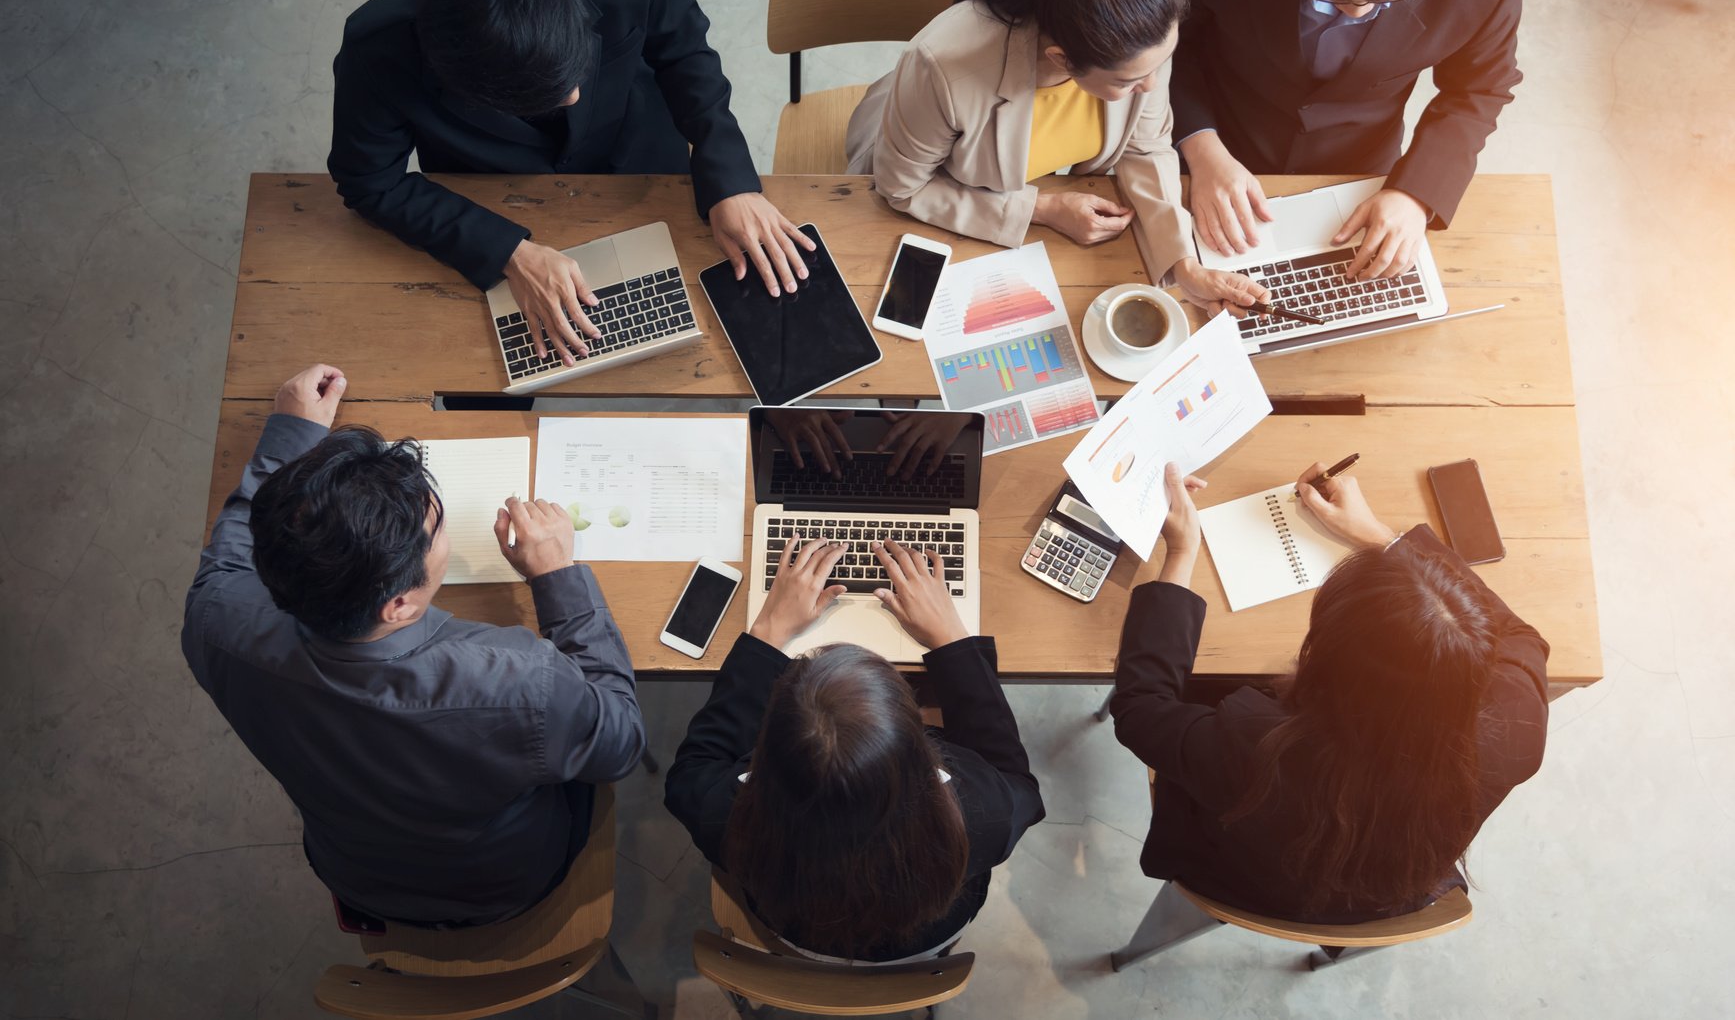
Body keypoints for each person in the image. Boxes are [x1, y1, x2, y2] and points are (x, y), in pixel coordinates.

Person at [182, 364, 645, 926]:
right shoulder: (520, 683)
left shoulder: (215, 623)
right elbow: (620, 741)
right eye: (438, 529)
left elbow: (231, 550)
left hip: (355, 873)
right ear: (397, 604)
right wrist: (557, 577)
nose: (442, 532)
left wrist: (291, 437)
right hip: (506, 885)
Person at [328, 0, 813, 368]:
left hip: (644, 156)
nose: (577, 95)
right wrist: (508, 253)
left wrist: (730, 181)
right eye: (546, 95)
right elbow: (370, 183)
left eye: (576, 70)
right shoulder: (376, 51)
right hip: (494, 195)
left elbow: (685, 52)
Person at [1110, 461, 1549, 922]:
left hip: (1235, 879)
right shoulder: (1518, 725)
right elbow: (1520, 635)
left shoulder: (1253, 744)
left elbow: (1141, 708)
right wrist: (1385, 539)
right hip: (1387, 900)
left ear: (1324, 659)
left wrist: (1181, 550)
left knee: (1208, 684)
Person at [845, 0, 1269, 318]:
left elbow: (1146, 148)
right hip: (933, 189)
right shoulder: (942, 67)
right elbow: (901, 187)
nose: (1152, 88)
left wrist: (1184, 265)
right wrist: (1041, 209)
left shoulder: (1142, 44)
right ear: (1062, 60)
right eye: (1129, 81)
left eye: (1161, 65)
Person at [1157, 0, 1527, 280]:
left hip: (1359, 168)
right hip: (1214, 139)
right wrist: (1201, 148)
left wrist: (1415, 193)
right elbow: (1162, 39)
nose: (1357, 12)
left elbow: (1479, 89)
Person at [664, 537, 1044, 962]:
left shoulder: (729, 816)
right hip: (925, 939)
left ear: (765, 747)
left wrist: (767, 632)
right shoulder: (982, 813)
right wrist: (951, 637)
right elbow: (1017, 781)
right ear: (922, 746)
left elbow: (693, 768)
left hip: (794, 933)